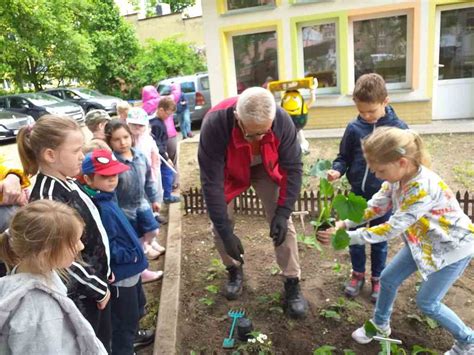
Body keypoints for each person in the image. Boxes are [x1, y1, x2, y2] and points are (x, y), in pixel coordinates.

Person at [317, 127, 474, 354]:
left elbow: (391, 228)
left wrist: (347, 238)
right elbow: (375, 207)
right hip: (422, 243)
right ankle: (380, 324)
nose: (376, 175)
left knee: (427, 302)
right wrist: (343, 224)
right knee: (388, 279)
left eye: (380, 170)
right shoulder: (396, 180)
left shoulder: (422, 188)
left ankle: (467, 340)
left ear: (401, 162)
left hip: (453, 248)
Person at [198, 87, 308, 319]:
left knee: (283, 222)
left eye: (264, 132)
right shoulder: (215, 124)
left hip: (266, 167)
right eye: (252, 134)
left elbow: (293, 168)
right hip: (228, 169)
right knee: (220, 225)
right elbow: (212, 184)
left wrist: (283, 211)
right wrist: (226, 232)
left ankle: (292, 281)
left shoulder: (282, 121)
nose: (259, 138)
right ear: (238, 118)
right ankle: (233, 269)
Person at [17, 115, 112, 351]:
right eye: (76, 150)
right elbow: (60, 257)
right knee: (91, 343)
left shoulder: (67, 181)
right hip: (82, 294)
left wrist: (105, 270)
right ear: (50, 155)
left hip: (95, 281)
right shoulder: (49, 198)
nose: (83, 155)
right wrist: (97, 287)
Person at [326, 73, 408, 303]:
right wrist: (337, 170)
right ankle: (357, 274)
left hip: (385, 196)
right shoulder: (354, 128)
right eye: (361, 111)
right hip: (357, 194)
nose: (366, 116)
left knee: (379, 239)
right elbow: (343, 157)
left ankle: (377, 279)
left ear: (385, 101)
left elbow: (407, 162)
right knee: (354, 235)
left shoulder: (399, 129)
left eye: (371, 111)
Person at [0, 200, 107, 354]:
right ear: (45, 255)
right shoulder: (38, 314)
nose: (81, 247)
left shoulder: (23, 273)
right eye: (74, 242)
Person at [82, 149, 158, 354]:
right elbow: (106, 245)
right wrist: (131, 254)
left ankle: (132, 338)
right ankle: (125, 348)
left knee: (136, 307)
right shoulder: (101, 208)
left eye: (114, 174)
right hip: (122, 273)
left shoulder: (108, 198)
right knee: (123, 319)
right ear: (89, 179)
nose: (112, 180)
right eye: (105, 176)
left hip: (131, 269)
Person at [104, 120, 165, 265]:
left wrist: (154, 199)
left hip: (142, 202)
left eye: (125, 137)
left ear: (131, 136)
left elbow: (149, 178)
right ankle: (143, 251)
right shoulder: (113, 163)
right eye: (117, 139)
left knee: (153, 229)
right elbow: (112, 190)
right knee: (135, 235)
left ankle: (148, 243)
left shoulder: (140, 156)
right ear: (110, 142)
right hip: (124, 208)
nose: (123, 142)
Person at [142, 84, 181, 189]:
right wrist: (174, 86)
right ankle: (173, 184)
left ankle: (163, 186)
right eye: (169, 114)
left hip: (158, 142)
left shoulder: (144, 106)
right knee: (171, 162)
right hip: (169, 135)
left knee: (159, 165)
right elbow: (176, 95)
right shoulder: (162, 100)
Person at [149, 97, 181, 204]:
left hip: (162, 152)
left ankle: (165, 194)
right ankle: (167, 196)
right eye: (168, 114)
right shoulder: (156, 124)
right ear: (161, 110)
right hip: (159, 154)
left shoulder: (159, 121)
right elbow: (157, 143)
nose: (169, 117)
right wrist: (166, 157)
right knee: (167, 172)